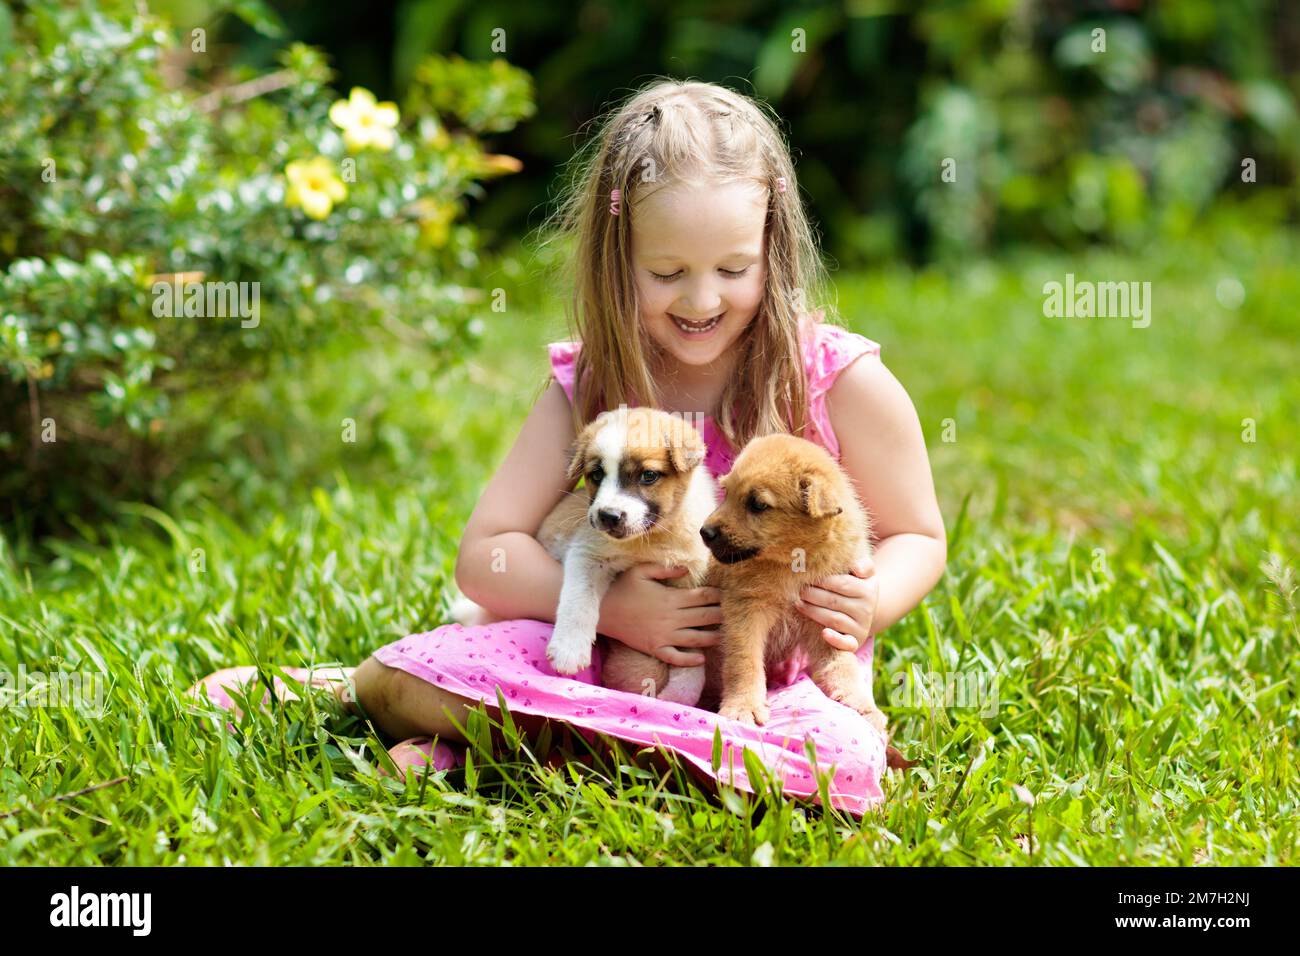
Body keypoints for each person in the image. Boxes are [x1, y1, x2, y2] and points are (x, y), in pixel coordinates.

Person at [191, 79, 947, 817]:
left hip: (776, 687)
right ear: (618, 257)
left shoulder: (838, 380)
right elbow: (486, 553)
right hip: (597, 667)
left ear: (772, 249)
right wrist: (617, 611)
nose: (701, 298)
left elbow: (920, 533)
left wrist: (873, 599)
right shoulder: (588, 387)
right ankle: (451, 708)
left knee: (836, 763)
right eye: (666, 272)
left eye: (732, 269)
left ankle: (494, 745)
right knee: (427, 669)